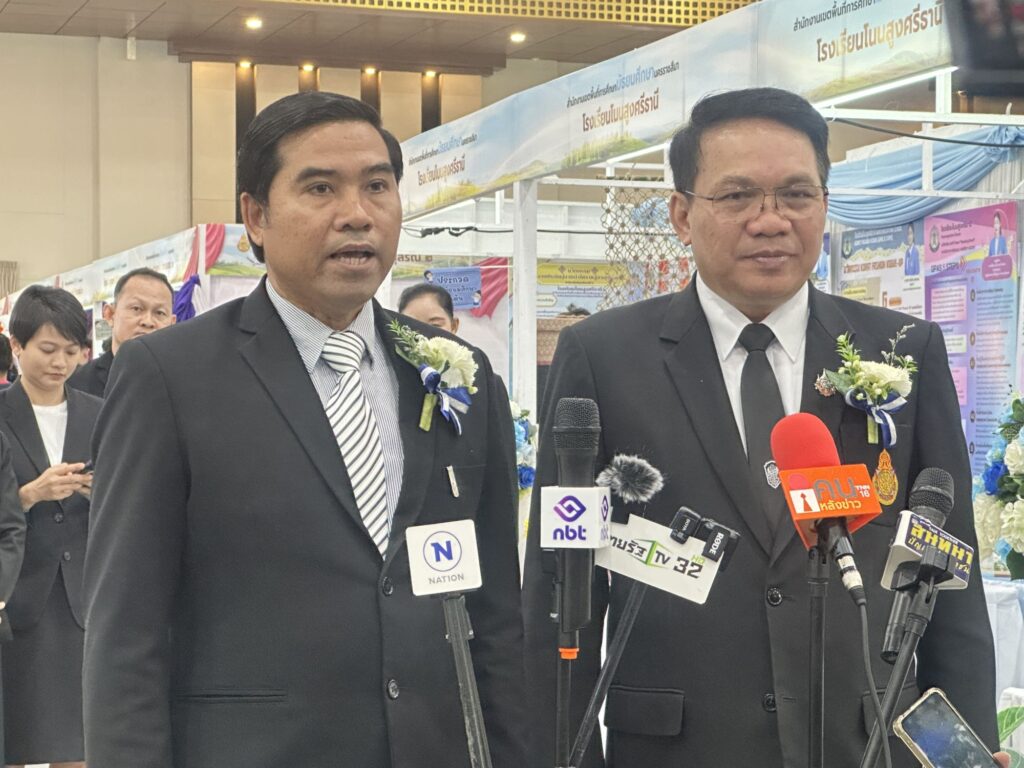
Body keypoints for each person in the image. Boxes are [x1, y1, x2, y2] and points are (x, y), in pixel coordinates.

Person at [522, 87, 998, 768]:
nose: (770, 221)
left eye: (796, 195)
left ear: (825, 205)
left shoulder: (902, 351)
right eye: (737, 196)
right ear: (681, 214)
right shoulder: (603, 357)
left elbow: (951, 580)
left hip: (864, 744)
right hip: (675, 749)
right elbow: (561, 586)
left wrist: (965, 756)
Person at [83, 91, 524, 768]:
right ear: (256, 216)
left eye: (377, 186)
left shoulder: (457, 373)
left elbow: (494, 612)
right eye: (320, 188)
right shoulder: (170, 376)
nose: (357, 214)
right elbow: (125, 629)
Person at [0, 286, 101, 768]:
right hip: (15, 593)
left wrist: (101, 492)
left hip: (82, 596)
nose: (60, 362)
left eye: (71, 350)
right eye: (47, 348)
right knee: (14, 737)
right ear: (17, 346)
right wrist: (28, 495)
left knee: (76, 742)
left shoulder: (99, 413)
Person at [66, 267, 176, 398]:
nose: (148, 321)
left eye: (160, 313)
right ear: (110, 314)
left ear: (172, 323)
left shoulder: (184, 382)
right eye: (136, 308)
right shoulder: (75, 385)